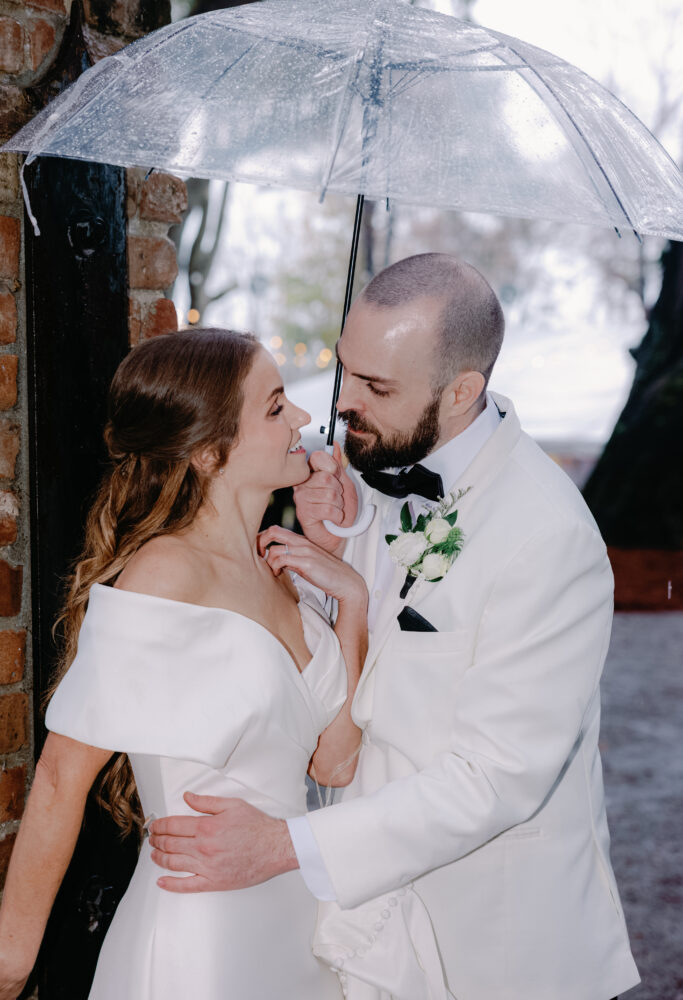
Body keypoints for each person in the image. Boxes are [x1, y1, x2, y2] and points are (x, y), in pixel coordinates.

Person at [149, 255, 641, 1000]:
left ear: (461, 391)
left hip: (492, 948)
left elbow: (493, 778)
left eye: (376, 387)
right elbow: (364, 667)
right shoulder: (380, 475)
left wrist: (284, 845)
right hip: (370, 930)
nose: (344, 401)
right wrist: (336, 547)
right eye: (346, 368)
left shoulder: (549, 537)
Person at [0, 328, 369, 1000]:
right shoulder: (165, 572)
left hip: (293, 918)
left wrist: (352, 600)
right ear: (208, 451)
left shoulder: (281, 570)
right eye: (275, 406)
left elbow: (334, 763)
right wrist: (11, 962)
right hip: (201, 935)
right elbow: (59, 778)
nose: (301, 418)